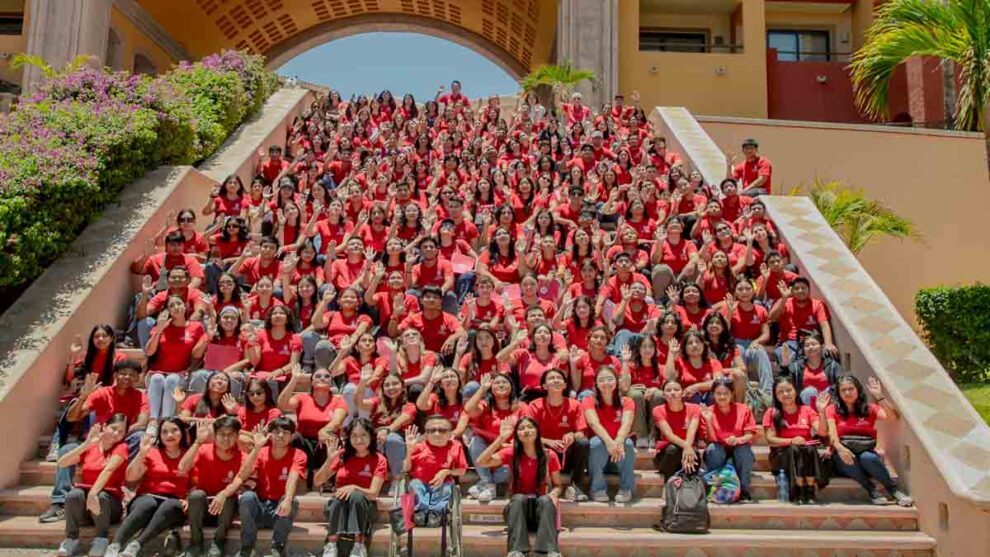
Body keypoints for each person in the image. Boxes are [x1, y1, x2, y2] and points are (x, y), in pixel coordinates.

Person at [43, 361, 149, 524]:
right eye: (123, 373)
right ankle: (60, 503)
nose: (127, 377)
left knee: (140, 436)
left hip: (121, 440)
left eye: (132, 374)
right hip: (94, 441)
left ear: (137, 378)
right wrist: (83, 396)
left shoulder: (140, 396)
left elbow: (142, 422)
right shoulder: (102, 393)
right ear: (115, 375)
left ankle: (126, 485)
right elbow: (73, 417)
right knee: (66, 450)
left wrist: (115, 435)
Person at [474, 416, 562, 557]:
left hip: (540, 513)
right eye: (521, 429)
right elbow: (481, 462)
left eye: (530, 427)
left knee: (545, 500)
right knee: (518, 498)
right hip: (517, 511)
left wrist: (554, 494)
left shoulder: (549, 455)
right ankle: (516, 551)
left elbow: (558, 485)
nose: (526, 431)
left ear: (537, 431)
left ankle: (550, 551)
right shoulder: (511, 453)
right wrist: (501, 439)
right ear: (516, 434)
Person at [106, 418, 190, 557]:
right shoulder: (152, 452)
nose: (169, 435)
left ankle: (136, 544)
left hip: (175, 501)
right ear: (159, 435)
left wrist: (188, 498)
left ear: (182, 432)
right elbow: (130, 477)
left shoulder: (188, 454)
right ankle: (115, 545)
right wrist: (141, 453)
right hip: (148, 496)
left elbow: (195, 483)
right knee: (147, 503)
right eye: (164, 432)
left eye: (174, 430)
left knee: (170, 505)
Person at [826, 375, 913, 506]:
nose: (848, 393)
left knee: (868, 458)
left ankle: (894, 491)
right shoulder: (832, 409)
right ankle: (872, 490)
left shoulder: (870, 408)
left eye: (851, 389)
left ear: (858, 390)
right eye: (843, 390)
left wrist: (879, 396)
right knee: (846, 457)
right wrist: (841, 449)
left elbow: (893, 416)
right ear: (839, 392)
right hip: (843, 454)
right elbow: (832, 436)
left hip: (866, 452)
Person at [55, 414, 130, 557]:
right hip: (87, 505)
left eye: (121, 432)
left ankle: (102, 538)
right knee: (73, 494)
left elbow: (108, 469)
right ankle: (71, 538)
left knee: (101, 496)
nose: (116, 434)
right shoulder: (92, 446)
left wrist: (93, 493)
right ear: (103, 427)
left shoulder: (122, 447)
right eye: (113, 428)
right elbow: (62, 463)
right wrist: (86, 445)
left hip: (109, 505)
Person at [314, 418, 387, 557]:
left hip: (364, 506)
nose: (359, 439)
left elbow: (373, 494)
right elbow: (317, 482)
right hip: (339, 506)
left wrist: (353, 487)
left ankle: (359, 545)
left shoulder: (379, 459)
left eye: (363, 435)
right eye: (354, 436)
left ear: (371, 437)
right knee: (338, 498)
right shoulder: (342, 456)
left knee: (356, 496)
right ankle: (331, 544)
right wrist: (329, 460)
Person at [238, 417, 307, 557]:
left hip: (280, 509)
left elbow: (293, 478)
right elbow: (243, 474)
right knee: (247, 497)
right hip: (261, 505)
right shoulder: (261, 452)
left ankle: (277, 547)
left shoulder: (298, 455)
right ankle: (247, 547)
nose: (280, 436)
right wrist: (256, 447)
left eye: (286, 432)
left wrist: (287, 499)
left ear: (292, 436)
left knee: (291, 501)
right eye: (276, 432)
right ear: (269, 434)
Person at [180, 416, 246, 557]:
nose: (226, 439)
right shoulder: (204, 450)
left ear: (237, 436)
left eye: (231, 435)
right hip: (204, 506)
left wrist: (223, 494)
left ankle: (218, 542)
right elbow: (182, 468)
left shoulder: (243, 457)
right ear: (215, 435)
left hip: (226, 509)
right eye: (222, 434)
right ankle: (196, 542)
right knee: (196, 495)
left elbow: (238, 482)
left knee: (229, 497)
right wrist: (198, 442)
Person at [277, 365, 348, 489]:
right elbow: (282, 404)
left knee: (329, 438)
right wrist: (294, 379)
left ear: (331, 382)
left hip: (325, 443)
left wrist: (323, 431)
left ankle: (327, 479)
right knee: (293, 436)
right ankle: (294, 475)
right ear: (312, 381)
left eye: (326, 376)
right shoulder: (302, 398)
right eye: (318, 376)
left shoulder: (338, 400)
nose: (322, 378)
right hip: (304, 442)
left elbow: (337, 421)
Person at [763, 376, 831, 504]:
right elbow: (771, 439)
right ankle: (797, 490)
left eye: (789, 390)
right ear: (775, 395)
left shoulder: (807, 410)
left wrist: (821, 412)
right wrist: (791, 441)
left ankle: (810, 490)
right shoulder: (772, 412)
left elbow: (822, 432)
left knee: (809, 449)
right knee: (795, 449)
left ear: (796, 391)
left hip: (806, 452)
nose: (785, 394)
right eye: (780, 392)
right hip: (782, 454)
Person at [465, 373, 530, 502]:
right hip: (487, 453)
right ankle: (487, 482)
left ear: (511, 387)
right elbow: (469, 409)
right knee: (476, 440)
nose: (501, 385)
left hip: (508, 455)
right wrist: (482, 389)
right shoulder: (486, 406)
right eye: (497, 383)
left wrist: (506, 445)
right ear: (491, 388)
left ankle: (487, 486)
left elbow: (528, 433)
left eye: (504, 382)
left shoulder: (521, 407)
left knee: (514, 456)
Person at [527, 368, 589, 501]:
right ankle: (539, 486)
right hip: (545, 453)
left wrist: (572, 436)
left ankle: (575, 487)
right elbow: (527, 433)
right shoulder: (534, 405)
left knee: (582, 443)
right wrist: (547, 441)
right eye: (551, 378)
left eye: (559, 378)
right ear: (544, 385)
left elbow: (581, 432)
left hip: (566, 452)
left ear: (565, 385)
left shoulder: (575, 405)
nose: (556, 380)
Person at [583, 366, 636, 503]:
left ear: (616, 381)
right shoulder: (589, 400)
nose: (606, 383)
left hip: (618, 455)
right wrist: (609, 441)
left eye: (609, 379)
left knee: (628, 443)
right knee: (596, 442)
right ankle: (597, 488)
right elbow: (594, 423)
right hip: (599, 455)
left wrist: (618, 441)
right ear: (596, 383)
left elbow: (626, 424)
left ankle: (626, 488)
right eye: (601, 380)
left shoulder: (627, 401)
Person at [403, 416, 468, 526]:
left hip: (442, 483)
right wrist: (409, 450)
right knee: (415, 485)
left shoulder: (455, 446)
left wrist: (447, 472)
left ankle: (436, 513)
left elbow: (462, 470)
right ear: (426, 435)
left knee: (447, 488)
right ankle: (421, 512)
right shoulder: (418, 446)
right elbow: (406, 469)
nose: (437, 434)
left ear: (450, 434)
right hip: (420, 483)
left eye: (442, 430)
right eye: (432, 430)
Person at [701, 377, 757, 503]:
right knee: (713, 449)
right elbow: (710, 439)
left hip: (738, 448)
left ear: (732, 394)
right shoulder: (708, 412)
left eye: (726, 393)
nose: (722, 397)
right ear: (713, 395)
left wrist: (738, 439)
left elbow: (750, 434)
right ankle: (714, 487)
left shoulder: (743, 409)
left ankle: (744, 491)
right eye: (718, 393)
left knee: (744, 451)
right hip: (718, 450)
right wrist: (709, 421)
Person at [652, 380, 702, 479]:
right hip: (667, 455)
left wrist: (687, 448)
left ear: (682, 393)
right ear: (663, 395)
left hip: (687, 452)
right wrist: (687, 446)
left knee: (694, 453)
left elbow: (691, 432)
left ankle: (689, 485)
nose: (673, 393)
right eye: (668, 390)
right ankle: (669, 484)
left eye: (676, 389)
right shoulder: (658, 410)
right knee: (673, 450)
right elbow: (669, 435)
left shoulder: (694, 408)